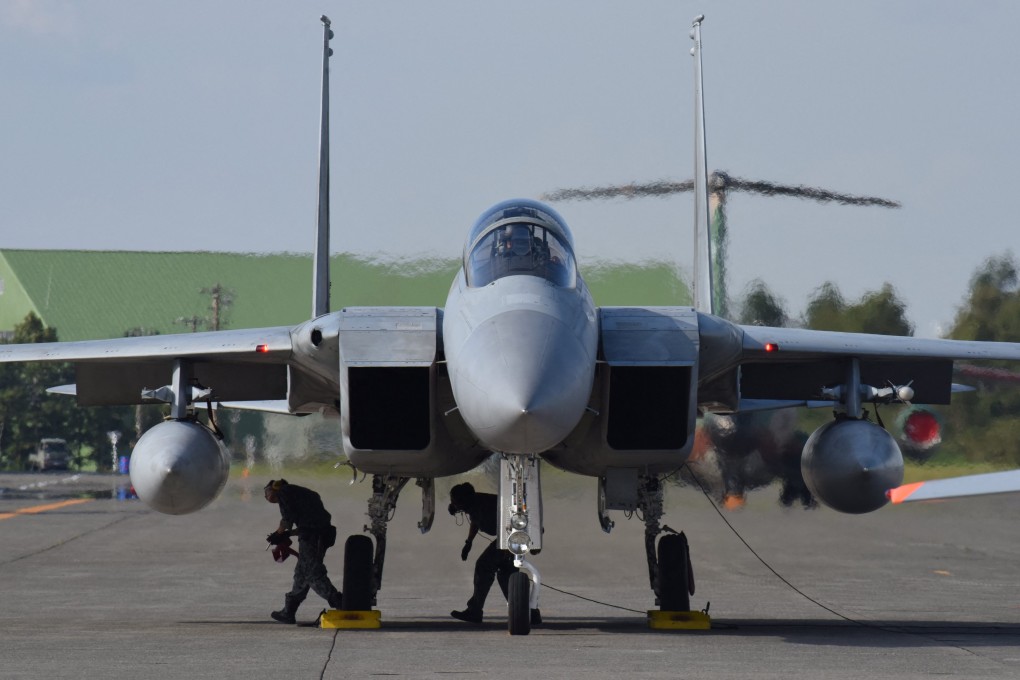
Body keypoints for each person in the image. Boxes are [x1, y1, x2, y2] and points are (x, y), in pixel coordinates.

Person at [448, 482, 540, 625]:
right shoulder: (472, 504)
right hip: (505, 539)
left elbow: (509, 526)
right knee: (506, 574)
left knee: (483, 566)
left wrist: (507, 549)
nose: (455, 506)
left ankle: (475, 611)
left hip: (513, 535)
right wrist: (469, 542)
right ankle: (529, 613)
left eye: (456, 502)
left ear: (465, 500)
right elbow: (475, 521)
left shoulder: (488, 506)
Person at [264, 479, 342, 623]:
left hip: (313, 537)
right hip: (316, 534)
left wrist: (278, 534)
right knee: (301, 573)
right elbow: (309, 521)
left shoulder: (284, 493)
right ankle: (289, 611)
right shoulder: (301, 493)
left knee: (312, 572)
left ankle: (339, 601)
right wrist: (288, 534)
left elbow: (287, 520)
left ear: (274, 489)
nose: (267, 497)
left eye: (267, 493)